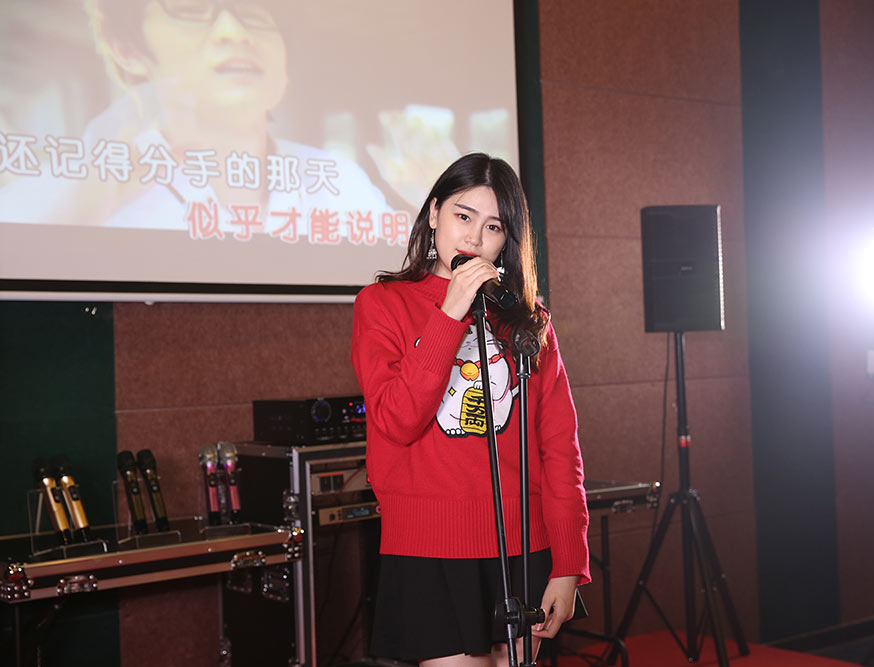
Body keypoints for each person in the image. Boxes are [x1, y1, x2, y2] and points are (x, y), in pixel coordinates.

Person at [351, 153, 590, 666]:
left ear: (507, 241)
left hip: (523, 545)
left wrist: (569, 563)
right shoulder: (382, 303)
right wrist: (451, 310)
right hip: (428, 547)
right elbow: (397, 420)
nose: (474, 238)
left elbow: (559, 448)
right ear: (434, 212)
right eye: (463, 216)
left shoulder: (528, 321)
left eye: (493, 226)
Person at [0, 0, 391, 232]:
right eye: (190, 9)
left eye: (255, 14)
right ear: (127, 50)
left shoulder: (341, 180)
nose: (233, 31)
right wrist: (78, 215)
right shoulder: (76, 189)